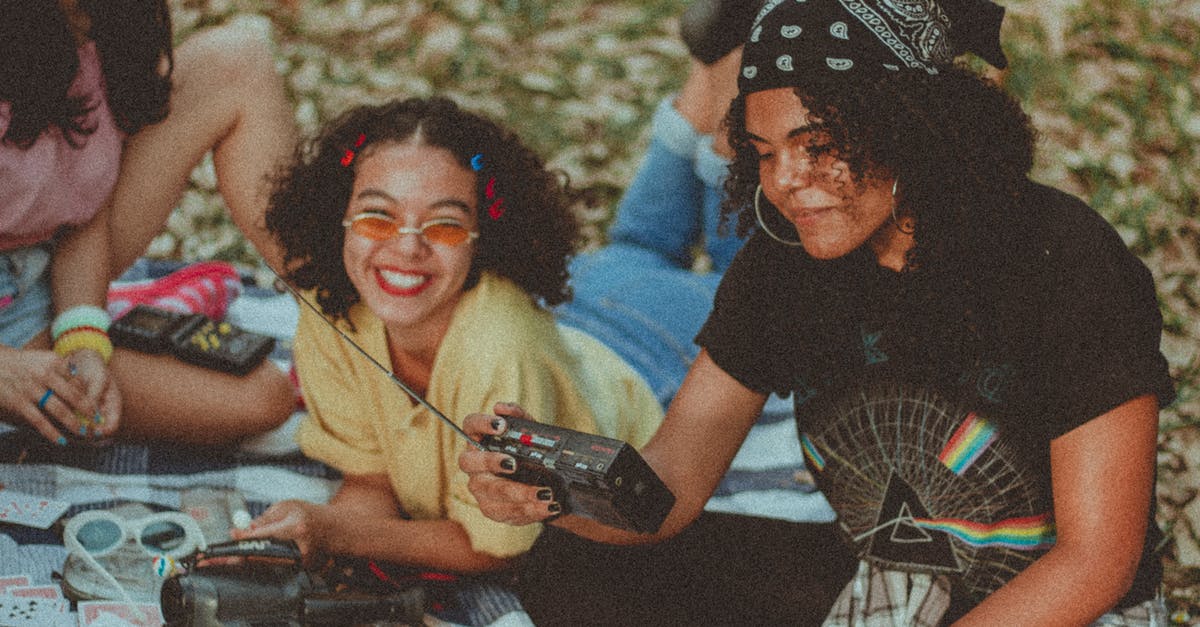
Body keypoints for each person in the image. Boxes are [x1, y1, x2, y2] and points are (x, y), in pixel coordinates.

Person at [459, 0, 1174, 624]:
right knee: (572, 566)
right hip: (892, 583)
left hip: (1060, 607)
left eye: (818, 147)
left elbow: (1096, 561)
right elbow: (670, 483)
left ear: (911, 128)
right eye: (764, 154)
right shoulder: (784, 261)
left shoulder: (1060, 255)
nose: (785, 184)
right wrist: (554, 487)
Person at [231, 97, 664, 573]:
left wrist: (334, 531)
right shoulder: (330, 304)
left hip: (645, 352)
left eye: (446, 226)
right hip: (578, 341)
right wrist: (319, 551)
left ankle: (687, 121)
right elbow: (372, 480)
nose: (407, 247)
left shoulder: (504, 351)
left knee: (652, 257)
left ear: (485, 235)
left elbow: (495, 549)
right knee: (642, 252)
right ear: (339, 216)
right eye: (378, 217)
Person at [0, 0, 297, 446]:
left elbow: (82, 207)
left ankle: (357, 323)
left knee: (237, 60)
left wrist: (82, 336)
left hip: (46, 266)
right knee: (263, 397)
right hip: (12, 329)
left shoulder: (102, 25)